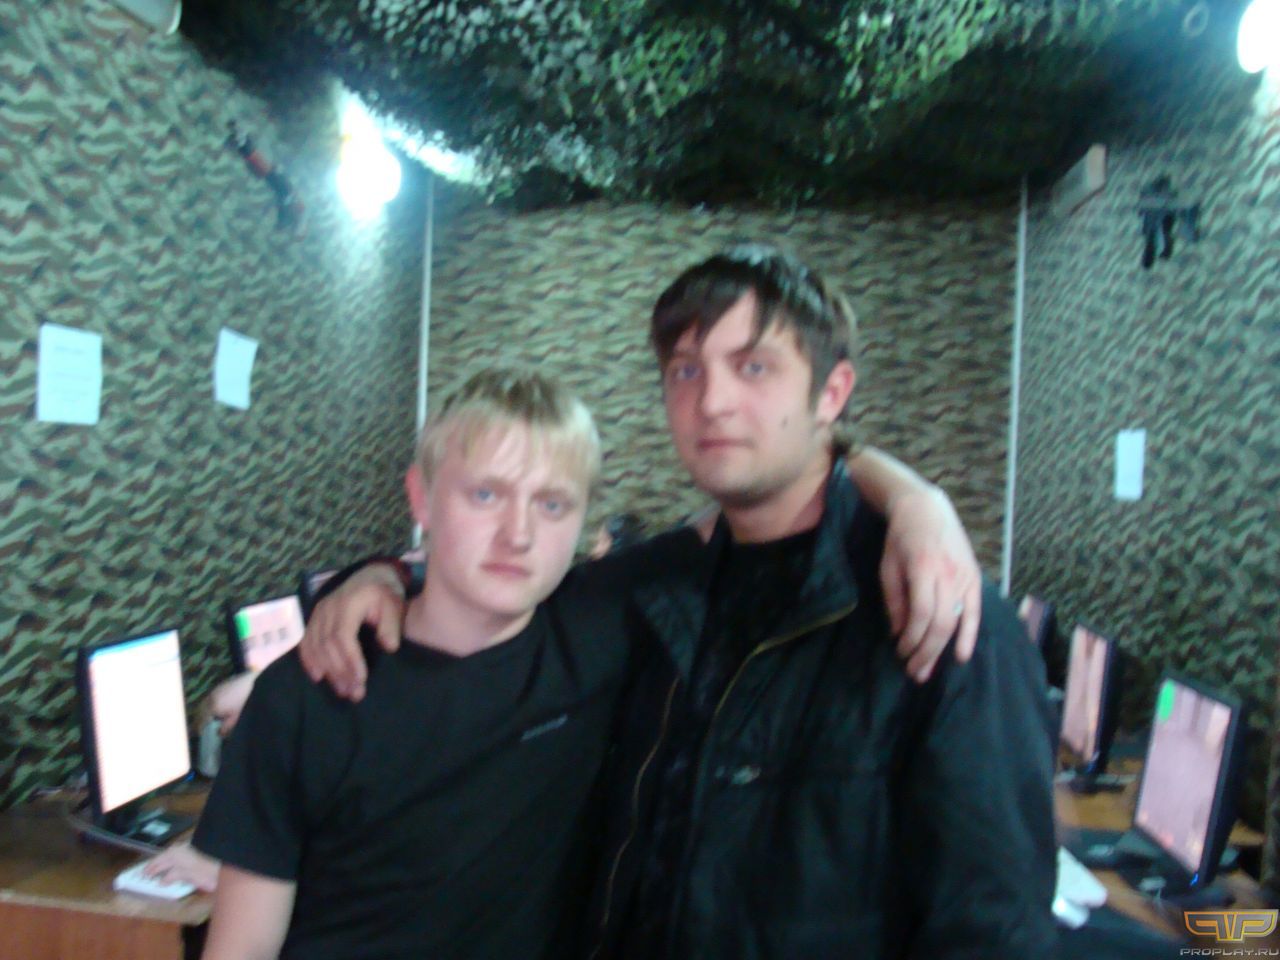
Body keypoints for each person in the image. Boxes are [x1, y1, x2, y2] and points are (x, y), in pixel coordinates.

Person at [303, 246, 1056, 958]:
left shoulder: (941, 614)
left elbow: (992, 928)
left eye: (753, 366)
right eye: (686, 370)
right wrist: (385, 578)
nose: (712, 401)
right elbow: (498, 593)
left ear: (831, 393)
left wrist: (916, 497)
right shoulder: (653, 589)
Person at [194, 369, 632, 959]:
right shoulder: (304, 693)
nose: (519, 535)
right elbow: (241, 949)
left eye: (552, 504)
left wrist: (381, 573)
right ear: (421, 498)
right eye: (485, 495)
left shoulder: (599, 641)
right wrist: (379, 574)